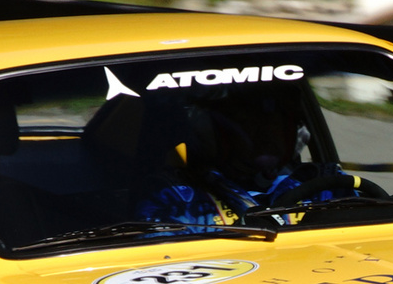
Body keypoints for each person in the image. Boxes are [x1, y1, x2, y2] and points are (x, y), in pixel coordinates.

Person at [134, 84, 338, 229]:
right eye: (249, 120)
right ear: (209, 131)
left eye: (277, 120)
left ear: (297, 132)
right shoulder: (176, 197)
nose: (267, 132)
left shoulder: (328, 185)